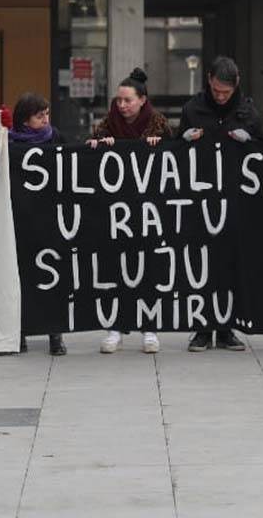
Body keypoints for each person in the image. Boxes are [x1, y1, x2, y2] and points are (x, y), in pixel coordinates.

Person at [178, 56, 260, 353]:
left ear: (236, 85)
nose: (221, 96)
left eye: (226, 92)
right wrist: (184, 139)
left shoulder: (247, 110)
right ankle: (202, 328)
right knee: (202, 263)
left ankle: (226, 328)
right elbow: (175, 155)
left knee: (230, 263)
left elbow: (262, 153)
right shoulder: (192, 108)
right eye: (216, 90)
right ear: (209, 80)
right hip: (201, 197)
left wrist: (249, 139)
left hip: (235, 198)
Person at [88, 67, 171, 354]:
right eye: (119, 100)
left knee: (148, 268)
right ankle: (116, 327)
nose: (122, 105)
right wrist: (101, 146)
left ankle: (150, 328)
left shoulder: (158, 124)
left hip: (149, 211)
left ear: (142, 100)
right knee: (116, 268)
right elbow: (89, 151)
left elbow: (176, 160)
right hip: (115, 213)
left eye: (128, 100)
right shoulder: (108, 123)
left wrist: (159, 147)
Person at [7, 92, 67, 357]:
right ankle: (20, 331)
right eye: (39, 116)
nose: (45, 120)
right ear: (24, 119)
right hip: (19, 216)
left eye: (46, 114)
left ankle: (55, 333)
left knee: (52, 274)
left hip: (49, 216)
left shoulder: (56, 137)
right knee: (21, 275)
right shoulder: (7, 141)